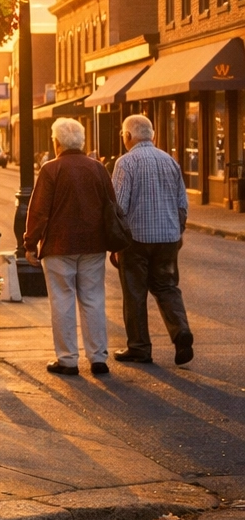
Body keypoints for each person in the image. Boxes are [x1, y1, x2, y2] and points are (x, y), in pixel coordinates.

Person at [24, 116, 113, 376]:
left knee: (62, 301)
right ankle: (98, 358)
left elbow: (39, 211)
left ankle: (67, 359)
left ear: (57, 142)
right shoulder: (97, 168)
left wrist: (30, 244)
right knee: (93, 299)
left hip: (59, 246)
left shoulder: (51, 169)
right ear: (82, 141)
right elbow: (111, 207)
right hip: (94, 244)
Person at [111, 114, 194, 366]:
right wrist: (176, 231)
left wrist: (116, 244)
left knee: (135, 292)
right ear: (153, 136)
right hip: (168, 238)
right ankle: (180, 331)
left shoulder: (125, 163)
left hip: (136, 240)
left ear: (127, 136)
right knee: (167, 286)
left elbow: (119, 207)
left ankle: (139, 347)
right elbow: (182, 203)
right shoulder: (170, 161)